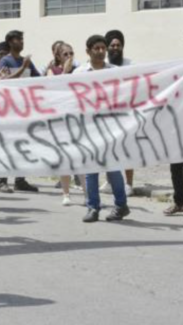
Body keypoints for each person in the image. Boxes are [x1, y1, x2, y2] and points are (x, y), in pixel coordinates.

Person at [76, 35, 130, 223]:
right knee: (91, 169)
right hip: (89, 128)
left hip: (111, 127)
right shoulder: (80, 73)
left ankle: (121, 205)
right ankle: (93, 207)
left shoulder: (115, 72)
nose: (100, 52)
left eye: (103, 48)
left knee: (113, 168)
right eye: (96, 48)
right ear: (88, 51)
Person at [0, 30, 40, 193]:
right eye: (18, 39)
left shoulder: (25, 61)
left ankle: (20, 179)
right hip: (9, 110)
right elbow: (3, 81)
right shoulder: (5, 61)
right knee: (7, 145)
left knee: (23, 144)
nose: (21, 42)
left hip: (24, 110)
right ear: (10, 42)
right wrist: (22, 68)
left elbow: (39, 79)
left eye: (22, 39)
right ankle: (1, 180)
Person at [44, 40, 80, 206]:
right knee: (65, 157)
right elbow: (52, 89)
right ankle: (66, 193)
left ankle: (88, 192)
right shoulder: (52, 71)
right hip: (61, 120)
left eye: (71, 53)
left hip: (78, 118)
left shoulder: (80, 70)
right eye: (65, 54)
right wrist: (65, 72)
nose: (69, 57)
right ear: (58, 56)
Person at [103, 30, 135, 196]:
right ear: (107, 48)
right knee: (109, 149)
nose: (116, 48)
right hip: (107, 115)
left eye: (118, 45)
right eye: (112, 45)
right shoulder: (103, 65)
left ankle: (129, 184)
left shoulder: (130, 65)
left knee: (127, 149)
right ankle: (109, 181)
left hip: (126, 114)